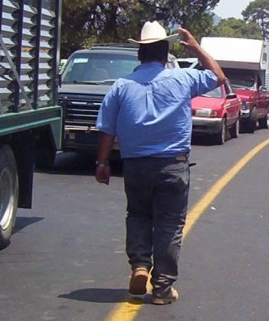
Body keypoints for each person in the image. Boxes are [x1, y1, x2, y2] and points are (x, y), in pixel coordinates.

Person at [94, 21, 226, 305]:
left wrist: (102, 163)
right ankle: (163, 288)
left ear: (139, 53)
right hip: (172, 165)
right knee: (169, 224)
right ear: (166, 52)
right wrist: (196, 47)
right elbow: (218, 77)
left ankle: (140, 266)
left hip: (135, 166)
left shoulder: (120, 86)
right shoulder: (182, 79)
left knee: (138, 215)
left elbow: (107, 129)